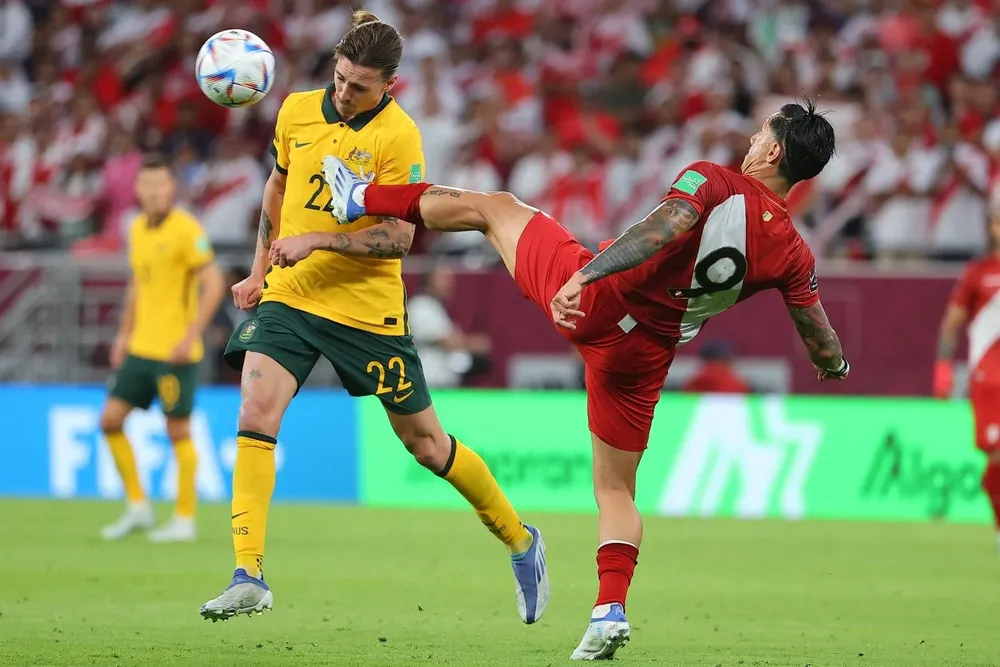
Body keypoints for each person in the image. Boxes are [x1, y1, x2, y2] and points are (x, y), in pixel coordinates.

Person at [306, 100, 850, 660]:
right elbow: (818, 335)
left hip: (595, 302)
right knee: (615, 490)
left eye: (760, 133)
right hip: (644, 357)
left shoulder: (713, 180)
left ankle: (360, 197)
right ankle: (608, 610)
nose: (752, 139)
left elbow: (664, 226)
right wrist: (835, 366)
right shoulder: (794, 251)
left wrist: (586, 274)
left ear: (774, 151)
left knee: (494, 207)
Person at [199, 11, 548, 625]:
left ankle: (520, 540)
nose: (343, 93)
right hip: (294, 296)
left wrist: (321, 242)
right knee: (255, 410)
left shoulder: (399, 137)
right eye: (339, 78)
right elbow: (277, 191)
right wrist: (260, 270)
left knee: (427, 445)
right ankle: (248, 572)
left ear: (390, 83)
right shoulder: (297, 111)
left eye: (358, 86)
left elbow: (399, 237)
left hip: (366, 311)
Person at [99, 154, 225, 543]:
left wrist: (191, 335)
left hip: (176, 353)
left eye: (161, 185)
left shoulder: (187, 229)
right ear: (137, 190)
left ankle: (184, 519)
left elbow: (215, 282)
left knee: (178, 431)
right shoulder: (136, 228)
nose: (154, 192)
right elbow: (138, 283)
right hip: (140, 348)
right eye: (147, 185)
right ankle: (138, 506)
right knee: (110, 421)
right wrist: (123, 335)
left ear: (172, 188)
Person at [934, 212, 1000, 550]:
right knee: (996, 458)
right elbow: (952, 323)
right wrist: (943, 368)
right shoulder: (979, 273)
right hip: (990, 379)